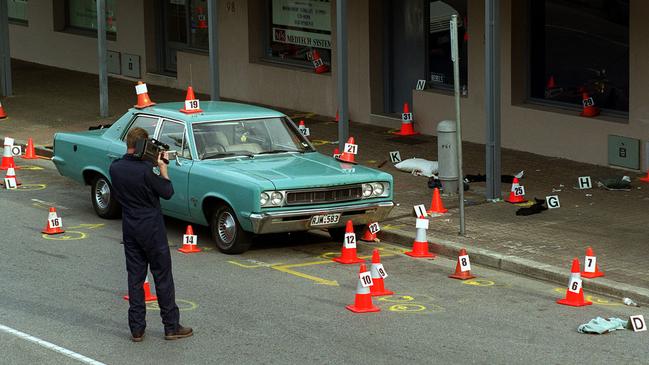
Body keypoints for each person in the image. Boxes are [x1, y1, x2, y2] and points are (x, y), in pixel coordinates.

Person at [109, 127, 192, 342]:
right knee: (162, 277)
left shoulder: (115, 168)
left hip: (130, 227)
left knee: (135, 278)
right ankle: (171, 326)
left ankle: (137, 329)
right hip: (152, 229)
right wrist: (162, 168)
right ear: (143, 147)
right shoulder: (146, 170)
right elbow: (167, 191)